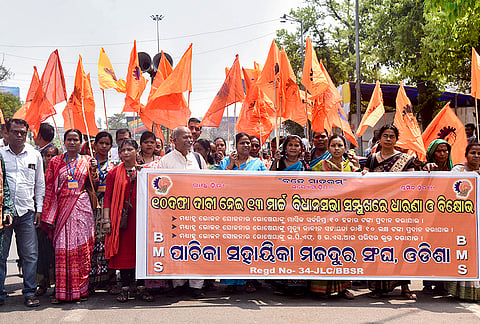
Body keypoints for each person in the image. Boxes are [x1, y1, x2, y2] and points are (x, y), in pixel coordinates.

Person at [42, 129, 98, 303]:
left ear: (81, 142)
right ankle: (62, 293)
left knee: (82, 249)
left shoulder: (87, 160)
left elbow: (95, 183)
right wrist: (49, 214)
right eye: (69, 139)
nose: (72, 142)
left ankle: (80, 290)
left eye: (76, 139)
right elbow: (49, 187)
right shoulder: (55, 162)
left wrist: (94, 171)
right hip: (62, 210)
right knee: (62, 250)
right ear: (64, 142)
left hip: (82, 207)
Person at [363, 124, 416, 300]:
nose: (388, 139)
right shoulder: (371, 159)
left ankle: (405, 287)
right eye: (385, 136)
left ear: (396, 139)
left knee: (400, 249)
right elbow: (365, 182)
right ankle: (378, 287)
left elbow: (412, 182)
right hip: (377, 211)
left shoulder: (405, 159)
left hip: (397, 211)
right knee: (378, 249)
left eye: (391, 136)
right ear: (379, 138)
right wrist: (363, 173)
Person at [154, 127, 206, 298]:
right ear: (173, 140)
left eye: (190, 137)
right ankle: (178, 284)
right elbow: (160, 188)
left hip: (196, 212)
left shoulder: (198, 159)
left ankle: (196, 286)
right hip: (174, 213)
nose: (189, 140)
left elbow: (207, 183)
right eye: (185, 137)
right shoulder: (165, 161)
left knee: (196, 247)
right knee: (176, 248)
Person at [0, 118, 44, 307]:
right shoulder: (0, 155)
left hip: (27, 211)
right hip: (3, 213)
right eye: (16, 132)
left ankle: (29, 292)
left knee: (30, 254)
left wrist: (39, 209)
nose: (19, 136)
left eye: (23, 133)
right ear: (6, 133)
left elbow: (40, 184)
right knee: (1, 255)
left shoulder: (34, 155)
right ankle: (0, 294)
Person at [103, 139, 154, 302]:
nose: (126, 152)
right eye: (123, 150)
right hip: (121, 221)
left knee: (141, 253)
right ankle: (124, 288)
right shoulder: (113, 173)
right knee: (124, 254)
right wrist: (106, 220)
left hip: (141, 220)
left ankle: (141, 287)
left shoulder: (145, 171)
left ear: (136, 151)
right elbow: (107, 198)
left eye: (129, 149)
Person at [310, 135, 357, 299]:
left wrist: (360, 171)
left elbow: (360, 189)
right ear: (328, 148)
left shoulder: (351, 167)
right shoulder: (318, 167)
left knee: (343, 250)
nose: (337, 149)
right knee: (323, 250)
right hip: (324, 215)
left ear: (345, 148)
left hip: (345, 216)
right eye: (333, 145)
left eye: (340, 145)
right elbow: (312, 191)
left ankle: (343, 288)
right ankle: (321, 289)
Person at [218, 133, 267, 293]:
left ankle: (249, 279)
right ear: (236, 145)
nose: (246, 146)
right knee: (231, 245)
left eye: (248, 143)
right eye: (242, 143)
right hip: (231, 211)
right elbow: (218, 182)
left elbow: (270, 182)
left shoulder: (258, 163)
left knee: (249, 245)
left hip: (252, 211)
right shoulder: (226, 162)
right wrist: (231, 165)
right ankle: (230, 282)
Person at [269, 135, 308, 296]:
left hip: (298, 210)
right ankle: (281, 282)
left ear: (301, 149)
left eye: (296, 145)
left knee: (297, 245)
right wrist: (274, 161)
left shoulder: (304, 166)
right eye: (290, 145)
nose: (293, 148)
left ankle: (298, 283)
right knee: (282, 244)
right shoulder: (279, 164)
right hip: (281, 209)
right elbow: (269, 179)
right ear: (284, 148)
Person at [446, 143, 480, 301]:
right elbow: (448, 190)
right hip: (463, 221)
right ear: (466, 155)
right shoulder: (457, 171)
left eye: (479, 153)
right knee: (464, 253)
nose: (476, 156)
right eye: (473, 152)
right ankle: (461, 292)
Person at [89, 131, 117, 294]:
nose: (104, 146)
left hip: (109, 207)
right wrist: (92, 170)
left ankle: (110, 280)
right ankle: (92, 281)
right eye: (101, 143)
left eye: (107, 144)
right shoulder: (87, 163)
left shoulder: (115, 165)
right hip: (92, 206)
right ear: (95, 145)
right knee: (92, 243)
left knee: (108, 242)